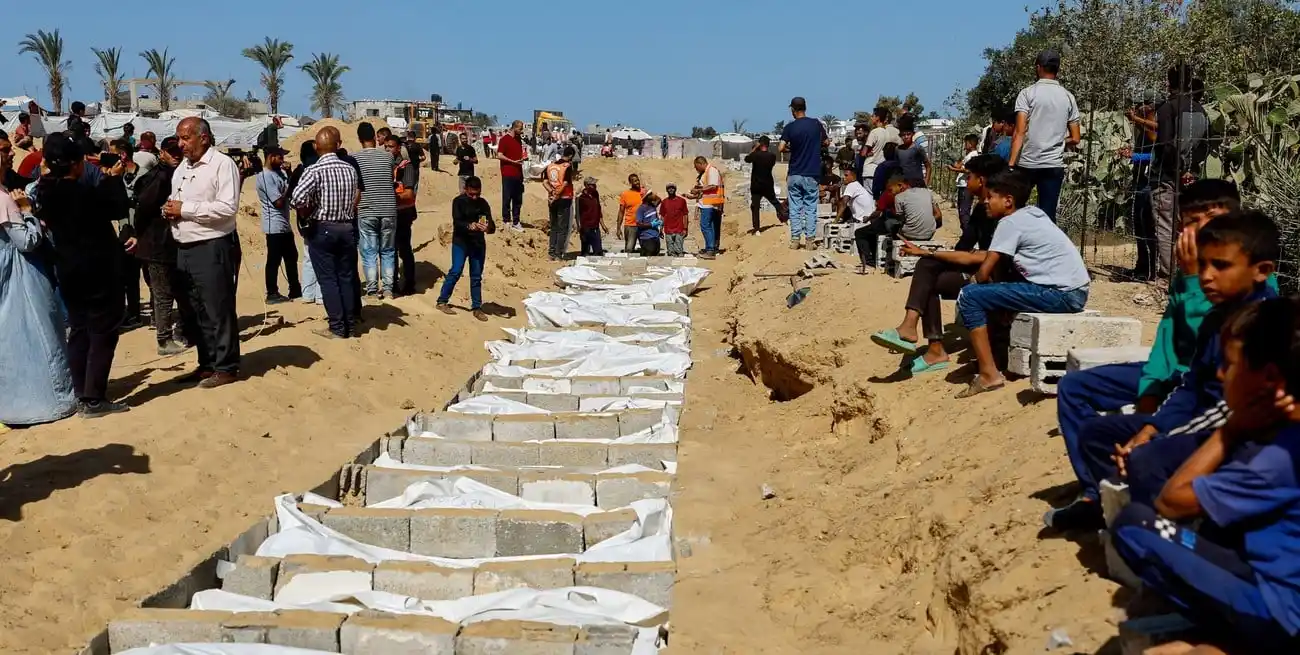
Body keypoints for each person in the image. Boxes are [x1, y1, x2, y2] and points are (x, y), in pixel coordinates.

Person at [1047, 210, 1280, 530]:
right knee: (1096, 434)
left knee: (1147, 459)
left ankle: (1162, 527)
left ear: (1261, 271)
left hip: (1232, 434)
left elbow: (1228, 409)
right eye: (1202, 265)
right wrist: (1151, 428)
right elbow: (1190, 384)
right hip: (1195, 419)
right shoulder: (1218, 317)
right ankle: (1106, 502)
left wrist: (1158, 438)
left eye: (1220, 266)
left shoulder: (1266, 325)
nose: (1206, 276)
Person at [1110, 296, 1300, 654]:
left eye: (1230, 365)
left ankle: (1232, 633)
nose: (1220, 374)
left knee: (1135, 524)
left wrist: (1230, 430)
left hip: (1282, 612)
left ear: (1270, 378)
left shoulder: (1277, 457)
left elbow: (1171, 501)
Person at [953, 169, 1090, 398]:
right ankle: (996, 358)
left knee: (970, 296)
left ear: (1008, 201)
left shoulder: (1009, 223)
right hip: (1075, 290)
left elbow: (984, 272)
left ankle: (988, 374)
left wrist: (965, 289)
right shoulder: (1033, 214)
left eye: (990, 197)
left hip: (1061, 294)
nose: (985, 202)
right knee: (991, 293)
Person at [871, 155, 1008, 373]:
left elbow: (993, 256)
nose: (966, 181)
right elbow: (964, 246)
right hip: (977, 268)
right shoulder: (981, 210)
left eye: (969, 176)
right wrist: (939, 258)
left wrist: (933, 254)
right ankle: (924, 339)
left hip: (994, 277)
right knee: (928, 269)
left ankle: (919, 335)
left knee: (928, 272)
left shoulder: (1004, 213)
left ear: (981, 180)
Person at [33, 133, 130, 417]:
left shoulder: (46, 191)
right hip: (97, 271)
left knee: (79, 330)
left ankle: (81, 390)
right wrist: (113, 179)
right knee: (102, 331)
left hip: (69, 270)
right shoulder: (81, 193)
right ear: (75, 164)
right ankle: (94, 398)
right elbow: (117, 207)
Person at [166, 117, 243, 389]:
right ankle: (207, 363)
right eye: (179, 138)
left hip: (211, 246)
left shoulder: (222, 165)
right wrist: (170, 209)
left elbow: (227, 208)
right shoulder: (182, 168)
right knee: (195, 311)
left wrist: (185, 210)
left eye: (186, 138)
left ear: (204, 138)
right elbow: (177, 201)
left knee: (217, 308)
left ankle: (226, 366)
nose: (180, 144)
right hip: (183, 247)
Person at [1, 182, 78, 425]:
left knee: (11, 339)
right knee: (40, 334)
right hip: (21, 275)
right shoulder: (3, 199)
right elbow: (26, 241)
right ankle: (54, 401)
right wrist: (27, 211)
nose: (8, 160)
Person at [290, 127, 362, 339]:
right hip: (347, 227)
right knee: (346, 277)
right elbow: (356, 196)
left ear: (316, 147)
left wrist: (309, 207)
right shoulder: (349, 168)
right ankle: (350, 325)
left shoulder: (314, 170)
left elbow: (296, 199)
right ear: (338, 145)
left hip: (324, 228)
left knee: (328, 279)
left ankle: (337, 327)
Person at [131, 136, 189, 356]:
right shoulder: (161, 177)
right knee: (164, 293)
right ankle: (164, 339)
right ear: (162, 153)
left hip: (170, 243)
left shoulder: (175, 174)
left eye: (178, 151)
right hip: (158, 244)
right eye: (171, 152)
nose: (176, 155)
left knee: (179, 290)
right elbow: (143, 207)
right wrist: (163, 212)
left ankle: (180, 330)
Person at [1151, 65, 1210, 279]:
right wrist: (1190, 168)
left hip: (1167, 176)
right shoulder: (1201, 110)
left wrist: (1178, 168)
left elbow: (1165, 145)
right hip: (1191, 178)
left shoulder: (1167, 109)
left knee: (1165, 225)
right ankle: (1190, 270)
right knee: (1188, 225)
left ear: (1169, 83)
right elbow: (1206, 145)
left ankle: (1168, 275)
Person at [1008, 50, 1081, 222]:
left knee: (1015, 210)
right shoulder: (1068, 97)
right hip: (1053, 164)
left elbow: (1019, 132)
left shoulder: (1027, 94)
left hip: (1027, 162)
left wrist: (1011, 164)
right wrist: (1057, 141)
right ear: (1057, 69)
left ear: (1038, 67)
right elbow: (1076, 138)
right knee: (1048, 216)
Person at [852, 175, 940, 273]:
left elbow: (901, 219)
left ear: (900, 185)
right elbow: (938, 214)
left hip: (910, 233)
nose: (891, 193)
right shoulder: (927, 193)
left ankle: (869, 263)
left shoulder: (899, 197)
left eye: (891, 190)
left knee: (866, 231)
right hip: (930, 233)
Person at [437, 175, 495, 321]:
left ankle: (477, 307)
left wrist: (487, 228)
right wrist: (470, 226)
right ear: (465, 189)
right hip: (461, 242)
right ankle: (442, 301)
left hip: (477, 244)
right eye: (471, 194)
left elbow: (492, 226)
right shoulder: (458, 202)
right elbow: (457, 222)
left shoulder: (483, 203)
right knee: (456, 271)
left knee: (476, 276)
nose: (474, 197)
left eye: (477, 194)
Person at [353, 122, 398, 299]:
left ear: (359, 139)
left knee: (369, 252)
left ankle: (372, 290)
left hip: (367, 209)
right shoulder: (388, 157)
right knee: (388, 251)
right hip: (388, 209)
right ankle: (388, 290)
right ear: (374, 137)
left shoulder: (355, 158)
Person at [780, 97, 828, 250]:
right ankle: (809, 241)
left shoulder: (790, 127)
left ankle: (795, 240)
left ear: (793, 110)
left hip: (794, 173)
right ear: (805, 108)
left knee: (795, 208)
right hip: (811, 173)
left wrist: (792, 148)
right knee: (810, 207)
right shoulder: (816, 124)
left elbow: (781, 148)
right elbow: (826, 142)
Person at [256, 145, 300, 304]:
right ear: (271, 157)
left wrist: (290, 174)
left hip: (284, 223)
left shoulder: (279, 174)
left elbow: (291, 191)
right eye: (280, 157)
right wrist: (291, 184)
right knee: (274, 260)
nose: (283, 160)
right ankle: (272, 293)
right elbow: (279, 202)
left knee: (291, 257)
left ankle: (295, 289)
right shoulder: (265, 177)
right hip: (273, 225)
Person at [288, 140, 322, 305]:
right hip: (317, 219)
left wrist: (302, 212)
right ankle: (320, 295)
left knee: (309, 256)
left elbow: (291, 196)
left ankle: (308, 294)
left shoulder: (299, 171)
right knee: (321, 257)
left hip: (304, 221)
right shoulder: (317, 170)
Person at [390, 134, 419, 296]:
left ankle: (409, 283)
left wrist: (389, 196)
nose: (388, 150)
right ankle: (392, 284)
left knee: (404, 249)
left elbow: (408, 193)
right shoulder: (386, 165)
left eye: (391, 147)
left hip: (403, 214)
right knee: (390, 250)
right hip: (390, 213)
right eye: (385, 147)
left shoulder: (405, 166)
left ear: (398, 148)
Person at [543, 146, 577, 261]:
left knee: (554, 227)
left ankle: (551, 252)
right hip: (564, 198)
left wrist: (552, 192)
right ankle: (558, 253)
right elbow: (565, 183)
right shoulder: (567, 167)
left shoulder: (551, 166)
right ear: (571, 155)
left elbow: (544, 182)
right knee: (563, 228)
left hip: (552, 199)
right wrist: (557, 194)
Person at [744, 136, 783, 234]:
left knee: (755, 207)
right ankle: (786, 218)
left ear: (760, 144)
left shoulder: (755, 155)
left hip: (756, 185)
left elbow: (747, 159)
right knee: (775, 202)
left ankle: (756, 229)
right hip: (768, 184)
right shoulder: (772, 156)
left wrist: (754, 148)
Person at [863, 107, 902, 193]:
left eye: (873, 116)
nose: (871, 118)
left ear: (877, 118)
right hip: (883, 170)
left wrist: (866, 153)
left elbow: (863, 153)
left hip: (870, 170)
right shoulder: (888, 133)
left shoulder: (874, 132)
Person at [497, 120, 526, 231]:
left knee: (518, 199)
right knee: (507, 198)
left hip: (518, 173)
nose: (522, 131)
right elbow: (499, 155)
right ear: (514, 128)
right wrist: (513, 162)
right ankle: (506, 220)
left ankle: (516, 221)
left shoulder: (519, 140)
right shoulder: (504, 140)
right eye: (520, 128)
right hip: (508, 173)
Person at [951, 134, 980, 231]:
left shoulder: (973, 155)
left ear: (970, 144)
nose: (964, 145)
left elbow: (969, 170)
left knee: (964, 211)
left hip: (966, 186)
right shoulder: (968, 155)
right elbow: (961, 166)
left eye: (966, 143)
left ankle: (967, 232)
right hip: (962, 185)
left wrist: (954, 170)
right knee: (961, 210)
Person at [895, 114, 930, 188]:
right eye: (903, 135)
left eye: (908, 134)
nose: (906, 137)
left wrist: (926, 182)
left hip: (917, 185)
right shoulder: (898, 150)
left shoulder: (918, 148)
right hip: (903, 186)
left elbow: (928, 166)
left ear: (913, 134)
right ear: (900, 135)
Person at [576, 177, 607, 256]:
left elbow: (598, 210)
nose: (595, 186)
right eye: (592, 185)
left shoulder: (595, 194)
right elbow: (578, 213)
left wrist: (603, 225)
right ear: (586, 185)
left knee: (598, 251)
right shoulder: (581, 198)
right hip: (586, 226)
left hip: (595, 226)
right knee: (585, 252)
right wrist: (579, 226)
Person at [618, 174, 647, 255]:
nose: (637, 182)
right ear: (630, 183)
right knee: (629, 249)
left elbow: (656, 201)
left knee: (646, 249)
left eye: (638, 180)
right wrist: (618, 228)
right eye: (635, 181)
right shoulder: (625, 194)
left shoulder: (644, 192)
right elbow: (621, 212)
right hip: (630, 225)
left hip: (643, 225)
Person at [660, 183, 689, 257]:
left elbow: (685, 215)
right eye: (669, 188)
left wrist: (685, 228)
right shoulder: (664, 202)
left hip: (679, 230)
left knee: (679, 252)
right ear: (667, 190)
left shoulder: (682, 201)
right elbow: (662, 216)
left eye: (672, 188)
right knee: (670, 253)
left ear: (675, 189)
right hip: (668, 230)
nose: (671, 189)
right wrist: (661, 229)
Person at [635, 192, 663, 257]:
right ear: (646, 197)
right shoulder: (641, 209)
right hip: (647, 238)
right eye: (650, 194)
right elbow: (638, 224)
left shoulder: (652, 206)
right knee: (648, 256)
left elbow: (659, 199)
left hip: (655, 236)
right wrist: (651, 224)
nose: (652, 195)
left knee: (655, 255)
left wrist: (654, 196)